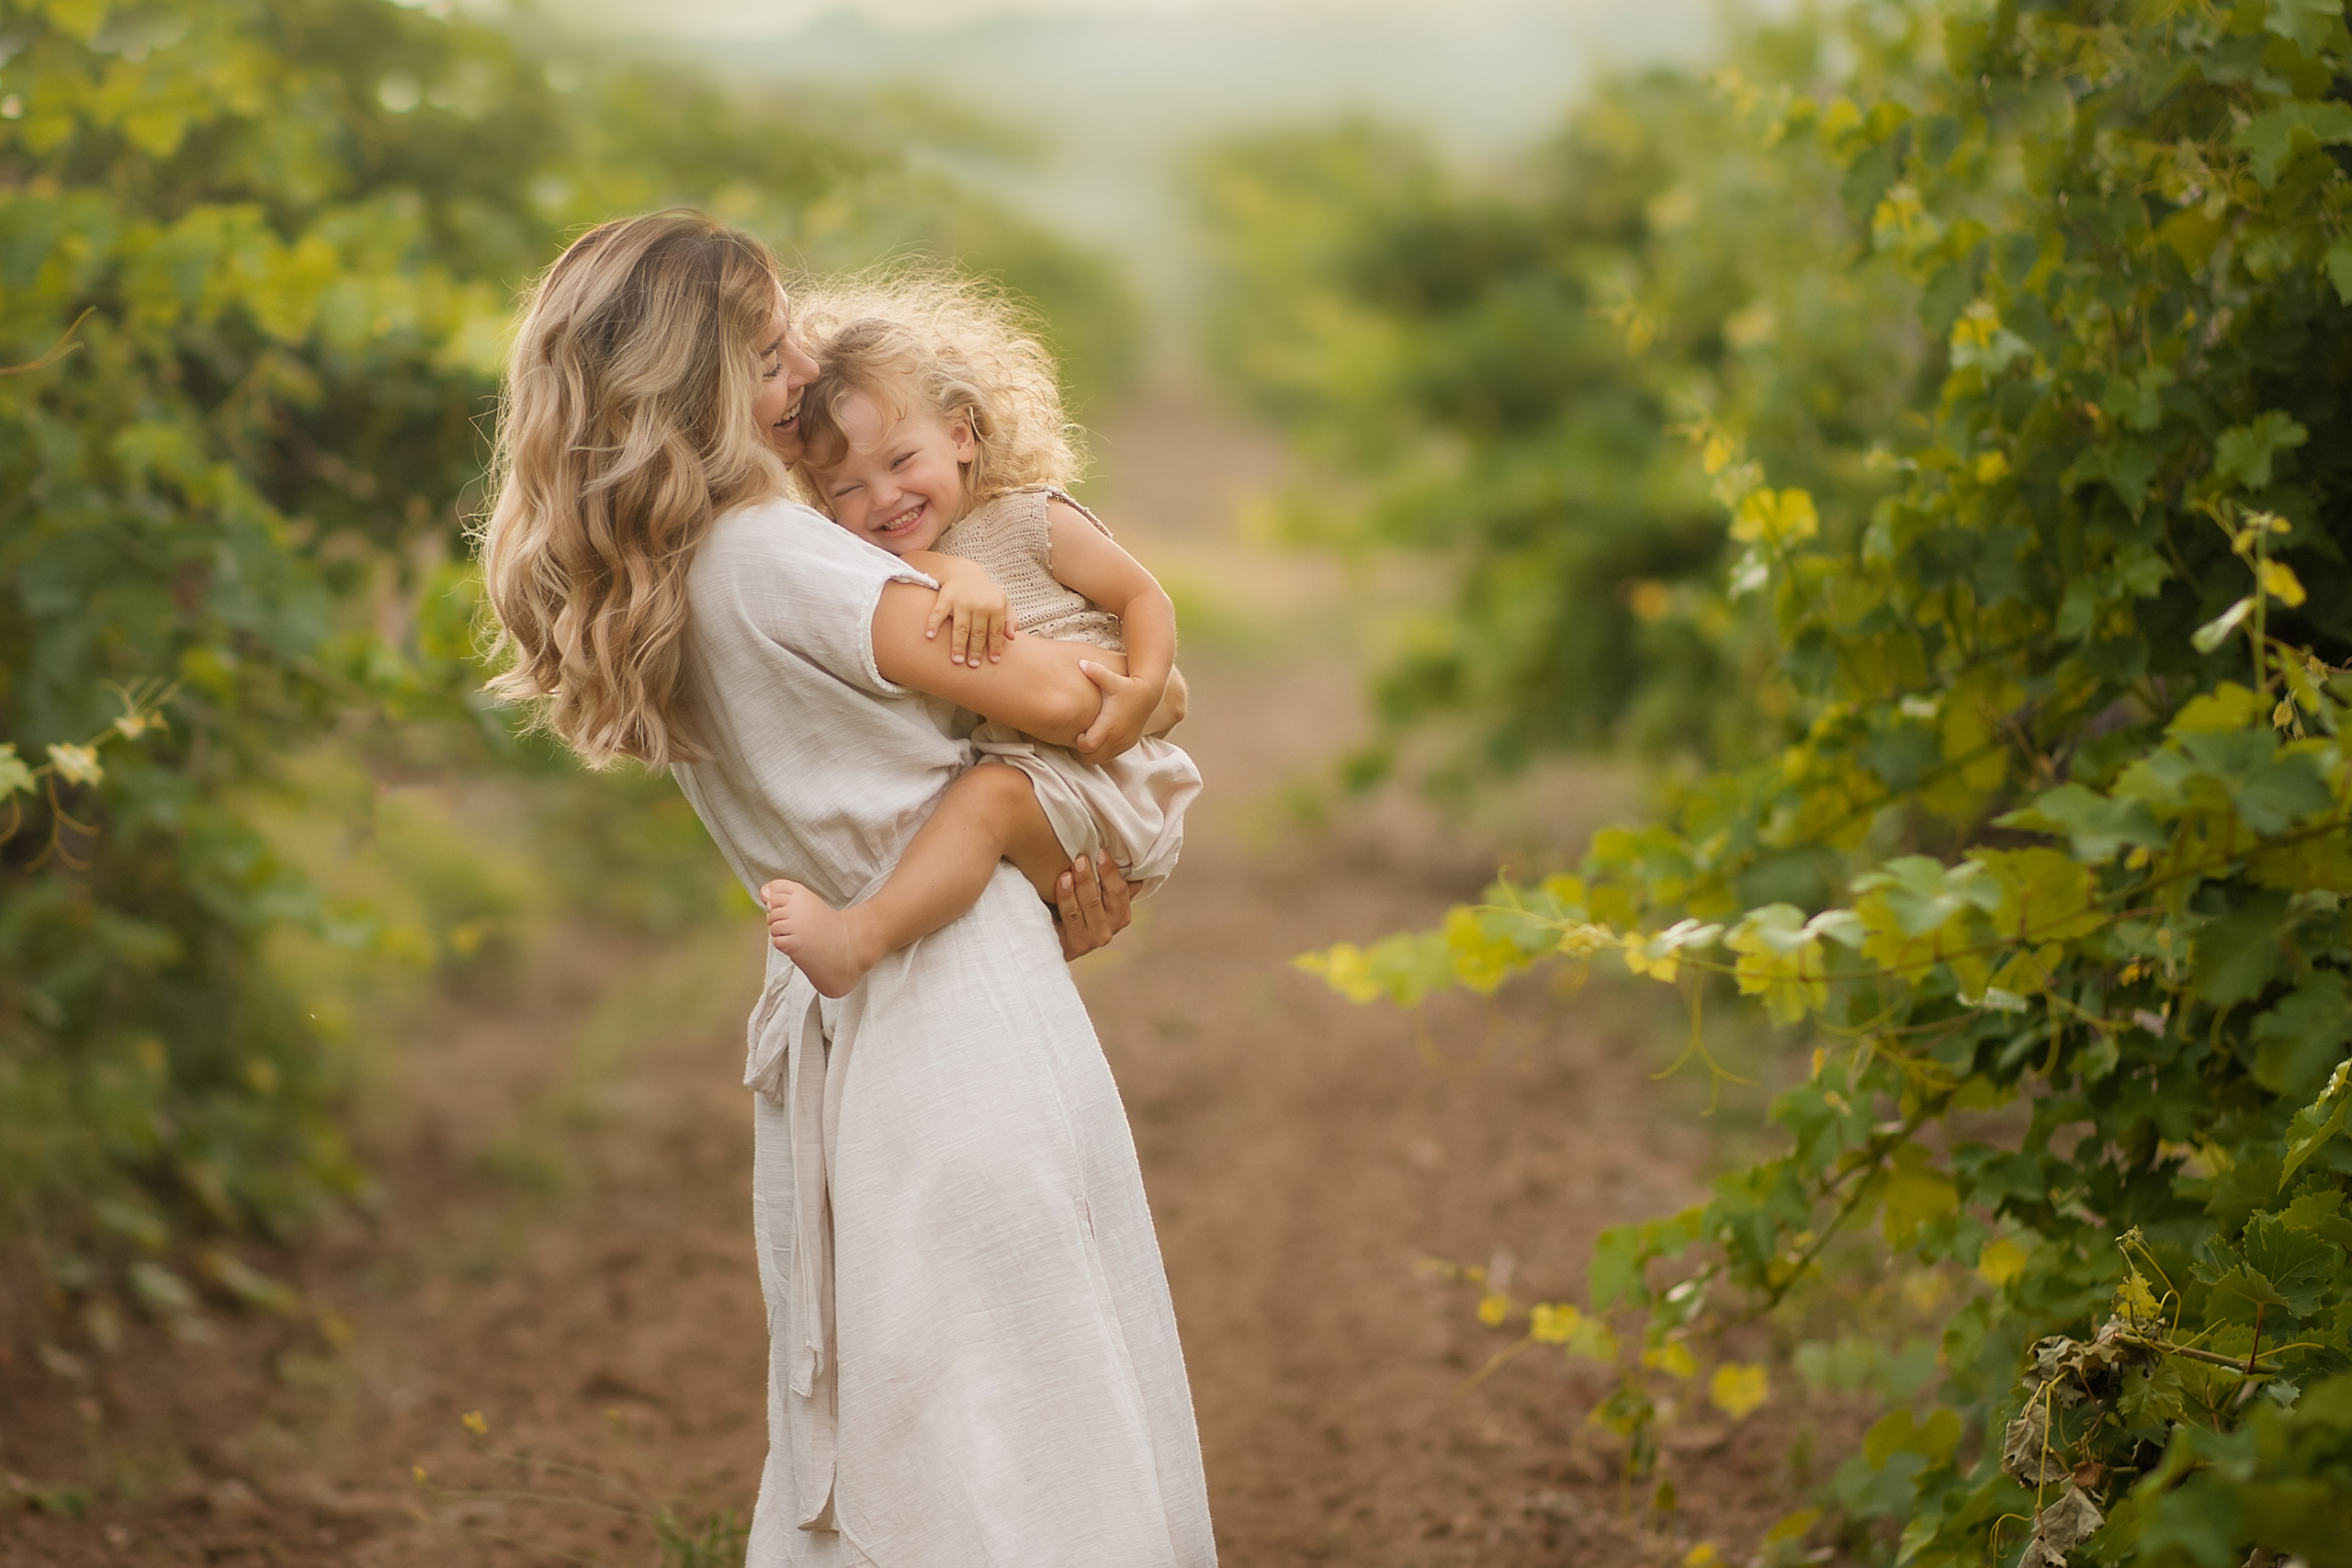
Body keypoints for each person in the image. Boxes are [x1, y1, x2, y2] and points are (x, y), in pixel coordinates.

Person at [476, 210, 1216, 1567]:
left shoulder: (676, 575)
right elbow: (1069, 698)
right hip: (962, 1020)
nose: (804, 366)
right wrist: (1138, 688)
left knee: (922, 1418)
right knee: (1032, 1433)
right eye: (769, 353)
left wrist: (1052, 865)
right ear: (696, 381)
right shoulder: (785, 550)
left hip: (872, 1009)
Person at [757, 278, 1204, 998]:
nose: (885, 497)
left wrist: (1146, 685)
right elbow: (915, 576)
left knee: (988, 798)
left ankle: (860, 938)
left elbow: (1142, 596)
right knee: (985, 803)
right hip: (1039, 786)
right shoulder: (876, 568)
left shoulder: (1031, 521)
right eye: (847, 488)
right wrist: (953, 572)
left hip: (1106, 778)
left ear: (960, 435)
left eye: (901, 461)